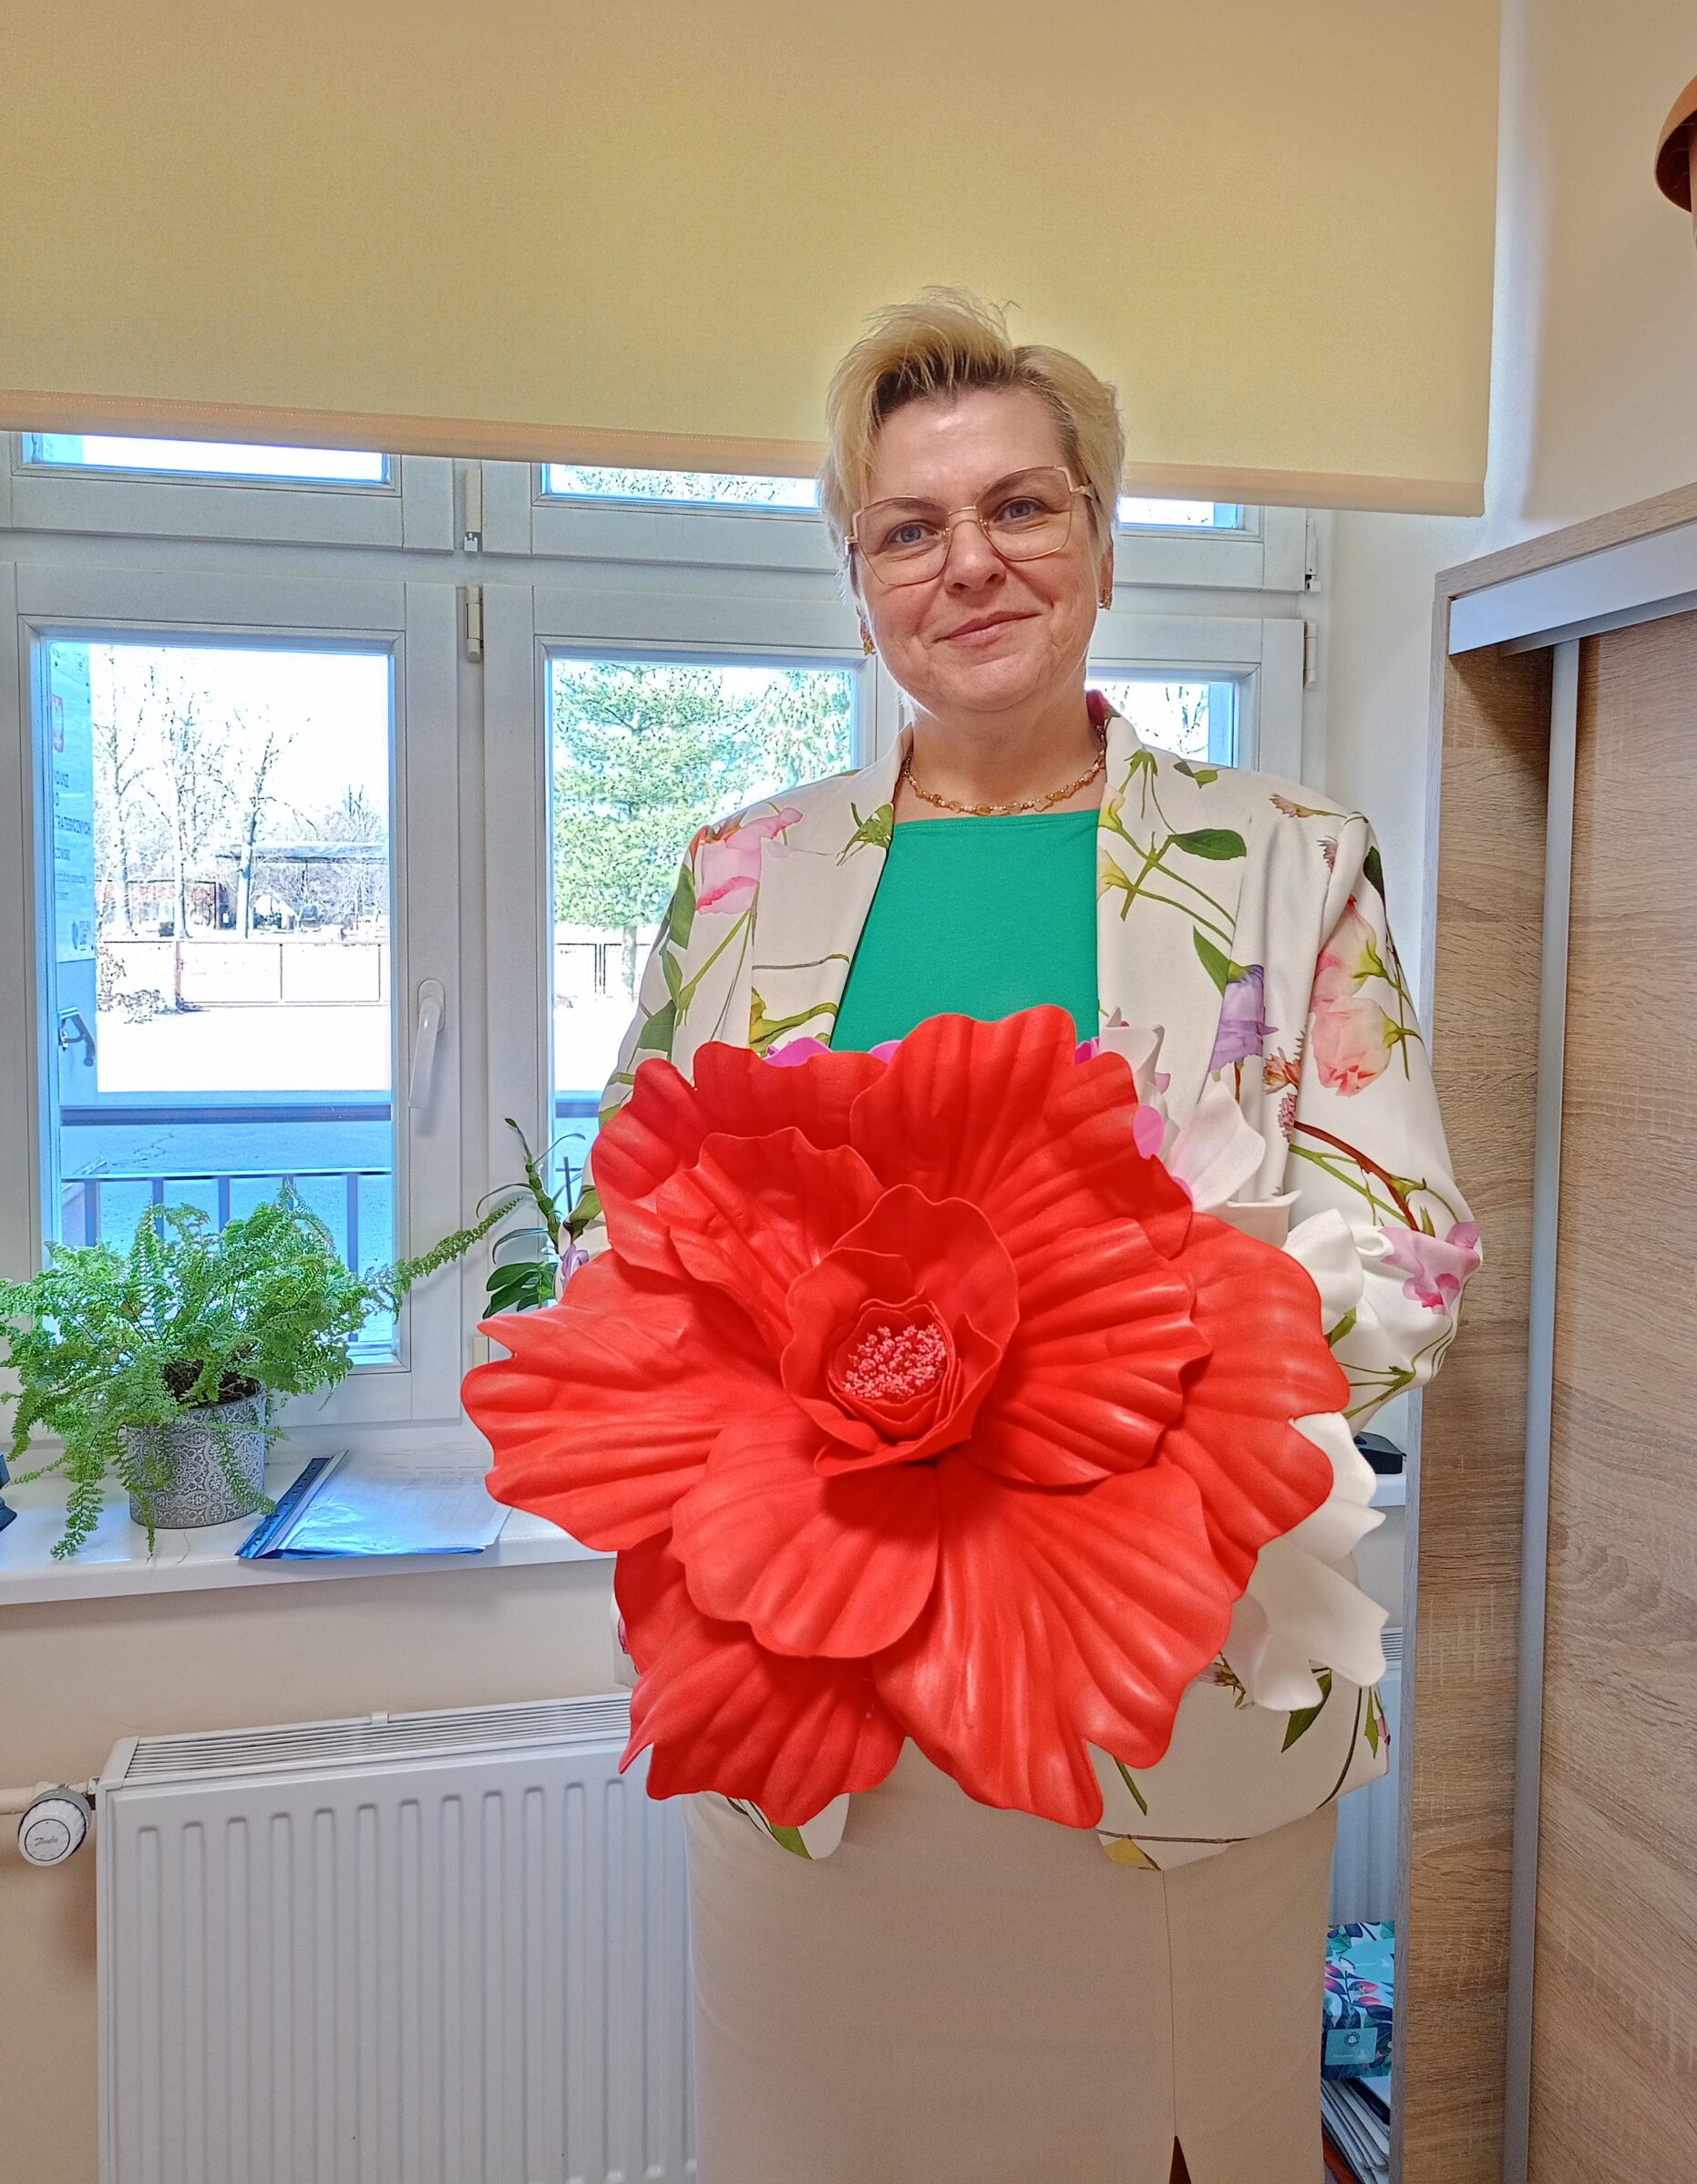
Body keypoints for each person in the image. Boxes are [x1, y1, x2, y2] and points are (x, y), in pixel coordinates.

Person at [591, 291, 1477, 2181]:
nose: (968, 563)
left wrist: (1099, 1379)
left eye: (1019, 506)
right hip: (816, 1725)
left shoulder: (1286, 856)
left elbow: (1408, 1258)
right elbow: (641, 1230)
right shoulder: (739, 877)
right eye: (908, 528)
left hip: (1168, 1713)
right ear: (857, 582)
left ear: (1100, 538)